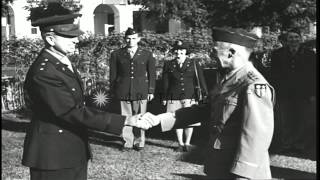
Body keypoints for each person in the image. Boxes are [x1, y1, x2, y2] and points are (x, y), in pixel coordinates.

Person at [22, 3, 152, 180]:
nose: (76, 40)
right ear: (50, 39)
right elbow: (71, 111)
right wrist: (127, 120)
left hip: (70, 149)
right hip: (53, 155)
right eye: (69, 36)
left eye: (75, 35)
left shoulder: (60, 62)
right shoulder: (45, 72)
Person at [142, 27, 275, 179]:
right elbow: (202, 110)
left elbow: (256, 136)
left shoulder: (252, 85)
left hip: (240, 173)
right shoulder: (228, 79)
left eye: (214, 50)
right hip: (221, 166)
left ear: (231, 53)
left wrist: (243, 175)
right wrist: (158, 119)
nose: (211, 55)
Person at [270, 27, 316, 154]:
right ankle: (287, 143)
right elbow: (274, 75)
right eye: (291, 37)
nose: (293, 40)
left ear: (300, 39)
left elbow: (313, 75)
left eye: (296, 37)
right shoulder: (278, 54)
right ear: (287, 39)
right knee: (286, 119)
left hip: (303, 94)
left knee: (302, 119)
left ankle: (300, 144)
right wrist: (275, 92)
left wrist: (312, 93)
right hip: (285, 93)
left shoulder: (310, 54)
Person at [109, 27, 156, 151]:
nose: (131, 41)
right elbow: (113, 74)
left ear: (138, 39)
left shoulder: (146, 54)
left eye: (134, 38)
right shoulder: (116, 54)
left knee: (140, 116)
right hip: (123, 88)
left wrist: (151, 90)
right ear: (125, 39)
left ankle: (139, 141)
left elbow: (152, 74)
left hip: (140, 89)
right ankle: (128, 142)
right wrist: (113, 89)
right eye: (128, 38)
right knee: (126, 117)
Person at [162, 40, 208, 152]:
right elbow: (165, 82)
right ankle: (180, 143)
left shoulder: (193, 63)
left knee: (190, 120)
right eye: (177, 50)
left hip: (190, 95)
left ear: (186, 51)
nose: (179, 52)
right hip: (174, 95)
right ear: (174, 51)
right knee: (176, 120)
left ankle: (187, 143)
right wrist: (164, 96)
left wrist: (205, 93)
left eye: (182, 50)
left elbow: (201, 79)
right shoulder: (169, 64)